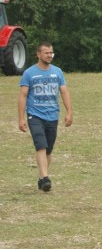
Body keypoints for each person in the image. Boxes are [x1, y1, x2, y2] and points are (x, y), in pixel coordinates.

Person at [18, 42, 73, 192]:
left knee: (48, 149)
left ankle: (42, 178)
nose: (49, 55)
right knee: (40, 145)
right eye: (46, 53)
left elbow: (64, 92)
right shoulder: (29, 73)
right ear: (38, 54)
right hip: (35, 115)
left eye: (51, 53)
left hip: (52, 115)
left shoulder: (57, 72)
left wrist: (69, 112)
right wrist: (21, 118)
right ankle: (46, 178)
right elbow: (23, 96)